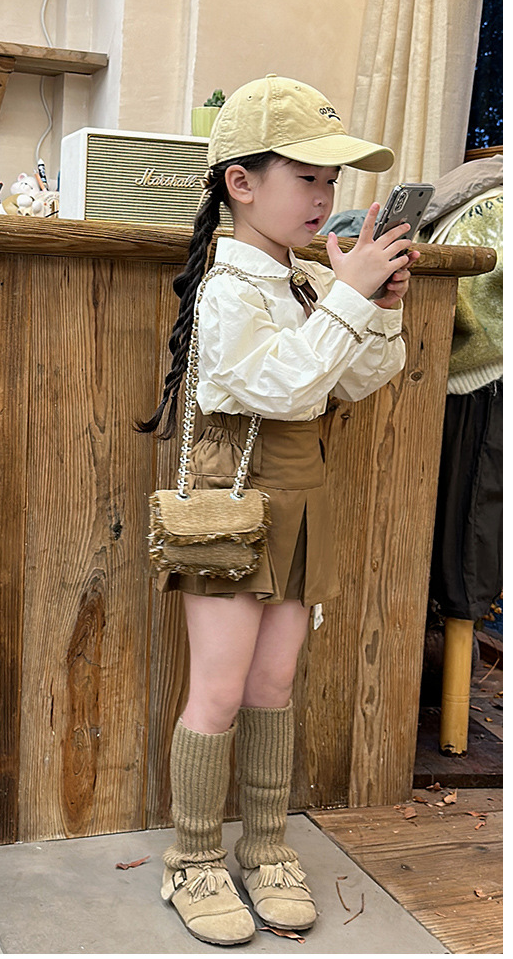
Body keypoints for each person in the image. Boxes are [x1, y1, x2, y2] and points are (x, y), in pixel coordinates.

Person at [137, 74, 418, 947]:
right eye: (306, 177)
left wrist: (375, 309)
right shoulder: (228, 286)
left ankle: (265, 845)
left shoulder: (304, 281)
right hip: (232, 515)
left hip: (299, 505)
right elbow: (284, 388)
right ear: (242, 182)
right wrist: (347, 298)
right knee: (220, 690)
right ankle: (192, 858)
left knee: (273, 686)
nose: (324, 198)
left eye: (331, 181)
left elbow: (358, 379)